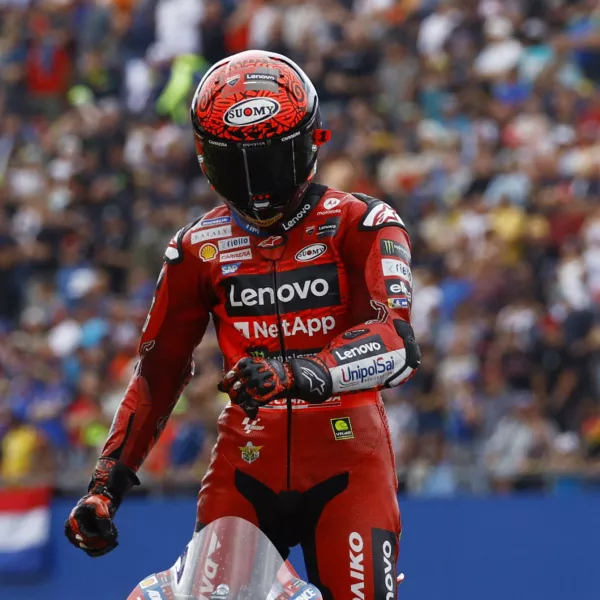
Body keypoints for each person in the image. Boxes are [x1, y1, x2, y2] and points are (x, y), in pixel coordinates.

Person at [64, 50, 421, 600]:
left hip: (351, 463)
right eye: (238, 164)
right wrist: (104, 487)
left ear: (309, 142)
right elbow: (157, 376)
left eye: (272, 161)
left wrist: (295, 373)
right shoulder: (195, 248)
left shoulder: (366, 223)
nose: (258, 187)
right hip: (246, 465)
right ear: (207, 160)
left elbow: (397, 344)